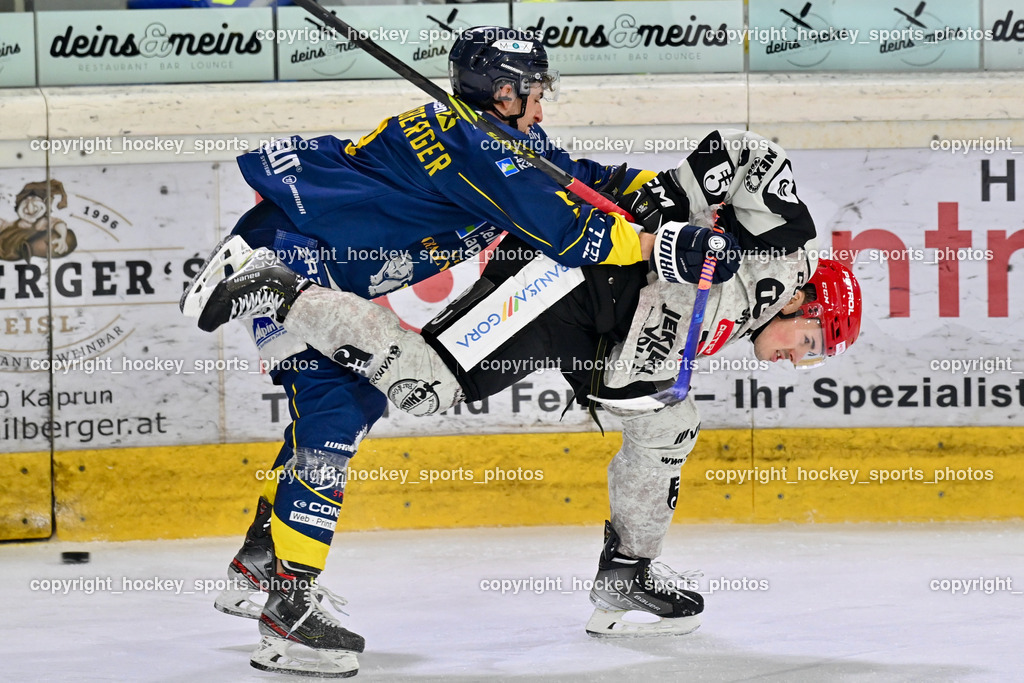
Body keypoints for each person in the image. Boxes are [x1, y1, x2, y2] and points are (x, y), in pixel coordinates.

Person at [186, 122, 861, 659]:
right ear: (805, 300)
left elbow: (646, 362)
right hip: (562, 277)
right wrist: (670, 200)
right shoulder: (789, 246)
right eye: (813, 343)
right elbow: (746, 150)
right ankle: (276, 282)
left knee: (668, 426)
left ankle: (627, 573)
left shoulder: (744, 315)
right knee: (425, 389)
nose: (803, 361)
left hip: (597, 337)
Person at [181, 26, 685, 678]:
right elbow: (569, 231)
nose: (540, 104)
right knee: (340, 405)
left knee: (344, 407)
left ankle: (260, 562)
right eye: (533, 91)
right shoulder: (478, 146)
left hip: (314, 260)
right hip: (289, 256)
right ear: (503, 91)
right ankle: (289, 606)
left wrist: (653, 185)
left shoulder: (497, 137)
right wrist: (660, 247)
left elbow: (574, 178)